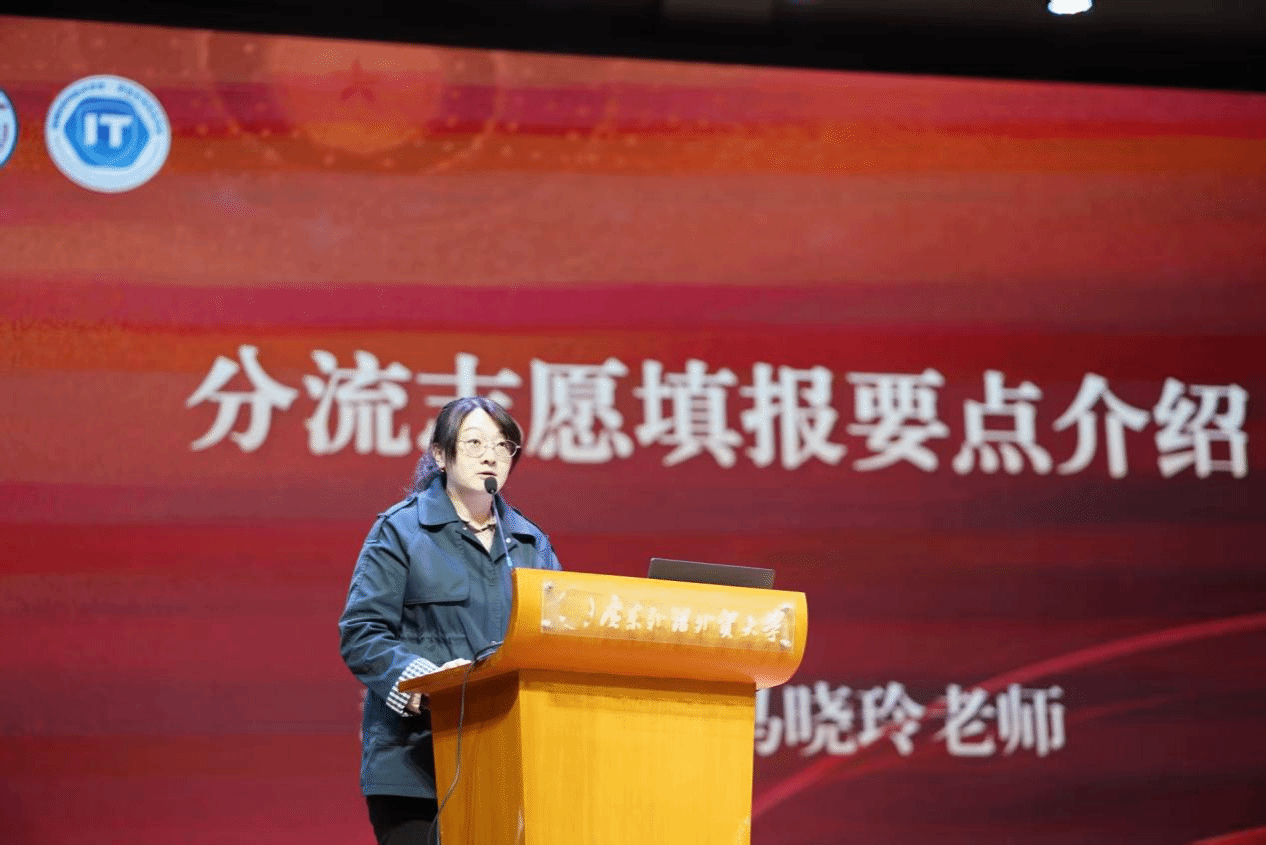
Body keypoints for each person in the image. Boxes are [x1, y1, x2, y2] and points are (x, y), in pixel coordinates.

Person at [338, 396, 562, 845]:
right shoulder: (401, 531)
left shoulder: (529, 542)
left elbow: (554, 637)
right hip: (414, 764)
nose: (490, 455)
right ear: (441, 455)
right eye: (474, 442)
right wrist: (426, 682)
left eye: (502, 445)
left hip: (504, 759)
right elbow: (362, 632)